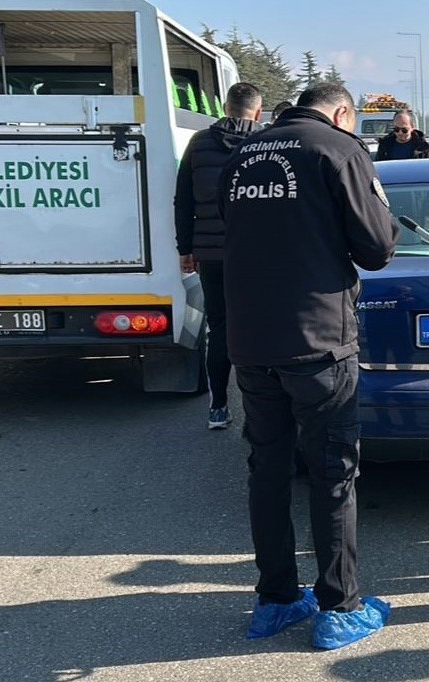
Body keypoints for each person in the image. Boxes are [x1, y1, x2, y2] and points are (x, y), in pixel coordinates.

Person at [220, 82, 397, 649]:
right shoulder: (339, 150)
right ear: (343, 113)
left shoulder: (244, 153)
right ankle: (339, 607)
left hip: (251, 340)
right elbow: (377, 248)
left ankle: (274, 599)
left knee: (267, 470)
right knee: (332, 473)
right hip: (317, 341)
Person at [174, 82, 266, 429]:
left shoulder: (199, 143)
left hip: (211, 254)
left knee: (220, 328)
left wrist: (186, 248)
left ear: (225, 108)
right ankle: (258, 413)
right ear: (258, 112)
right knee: (258, 328)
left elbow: (183, 200)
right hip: (258, 255)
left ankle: (218, 408)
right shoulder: (268, 143)